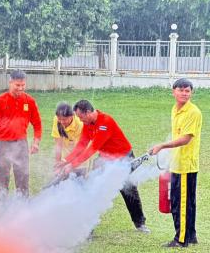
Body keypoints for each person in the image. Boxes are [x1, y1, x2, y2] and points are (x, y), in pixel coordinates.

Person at [57, 99, 150, 233]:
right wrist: (66, 160)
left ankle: (140, 224)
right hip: (105, 158)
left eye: (81, 117)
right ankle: (89, 227)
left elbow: (92, 148)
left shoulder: (105, 122)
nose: (80, 121)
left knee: (128, 189)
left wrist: (72, 165)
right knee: (94, 187)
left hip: (123, 158)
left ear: (88, 112)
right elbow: (82, 145)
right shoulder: (88, 123)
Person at [150, 78, 202, 247]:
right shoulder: (175, 109)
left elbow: (186, 139)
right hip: (177, 162)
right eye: (181, 90)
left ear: (191, 93)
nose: (184, 93)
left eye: (187, 91)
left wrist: (163, 146)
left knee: (181, 204)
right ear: (173, 91)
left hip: (185, 165)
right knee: (186, 202)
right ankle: (191, 236)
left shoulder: (193, 112)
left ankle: (180, 240)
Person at [0, 70, 42, 196]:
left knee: (23, 177)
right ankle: (2, 207)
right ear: (10, 82)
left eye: (23, 85)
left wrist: (36, 142)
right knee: (2, 178)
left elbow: (37, 124)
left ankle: (22, 207)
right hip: (2, 144)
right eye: (17, 85)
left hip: (21, 144)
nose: (20, 88)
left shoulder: (30, 101)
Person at [51, 102, 94, 177]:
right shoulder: (57, 119)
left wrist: (72, 165)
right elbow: (58, 145)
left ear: (72, 116)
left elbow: (80, 148)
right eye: (59, 119)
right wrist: (58, 164)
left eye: (64, 119)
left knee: (79, 183)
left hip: (81, 160)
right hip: (65, 158)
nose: (61, 122)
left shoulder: (80, 124)